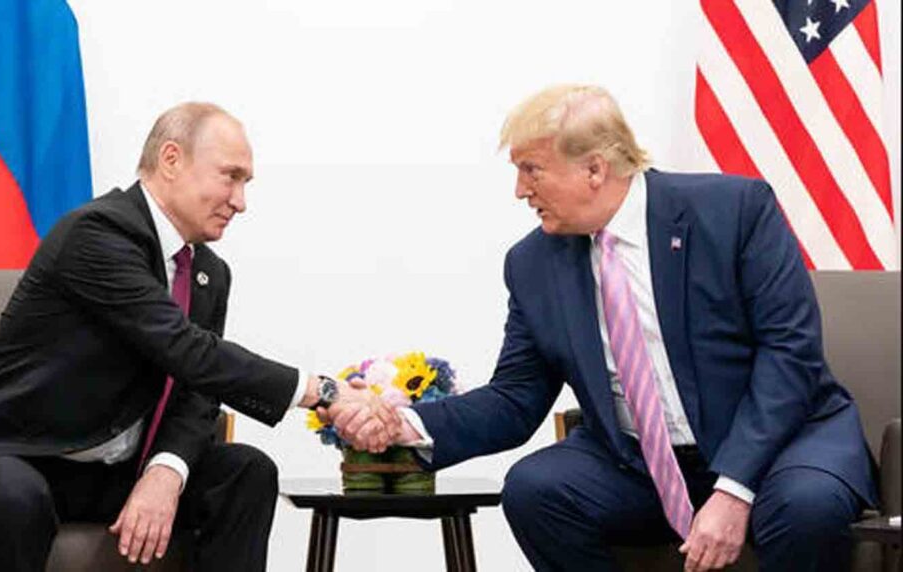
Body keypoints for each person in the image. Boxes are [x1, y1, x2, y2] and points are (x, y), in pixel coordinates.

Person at [328, 85, 876, 572]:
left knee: (807, 507)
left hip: (782, 443)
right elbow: (517, 397)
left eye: (531, 170)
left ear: (594, 169)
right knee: (536, 491)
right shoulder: (533, 264)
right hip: (643, 464)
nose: (520, 191)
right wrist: (406, 425)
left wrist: (734, 488)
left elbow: (790, 353)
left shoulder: (733, 210)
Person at [0, 102, 395, 572]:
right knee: (18, 496)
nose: (240, 201)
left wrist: (165, 471)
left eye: (245, 183)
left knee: (245, 472)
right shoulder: (95, 235)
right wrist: (322, 392)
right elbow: (189, 352)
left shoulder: (209, 274)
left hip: (111, 473)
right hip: (17, 455)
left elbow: (198, 392)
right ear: (171, 160)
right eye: (229, 177)